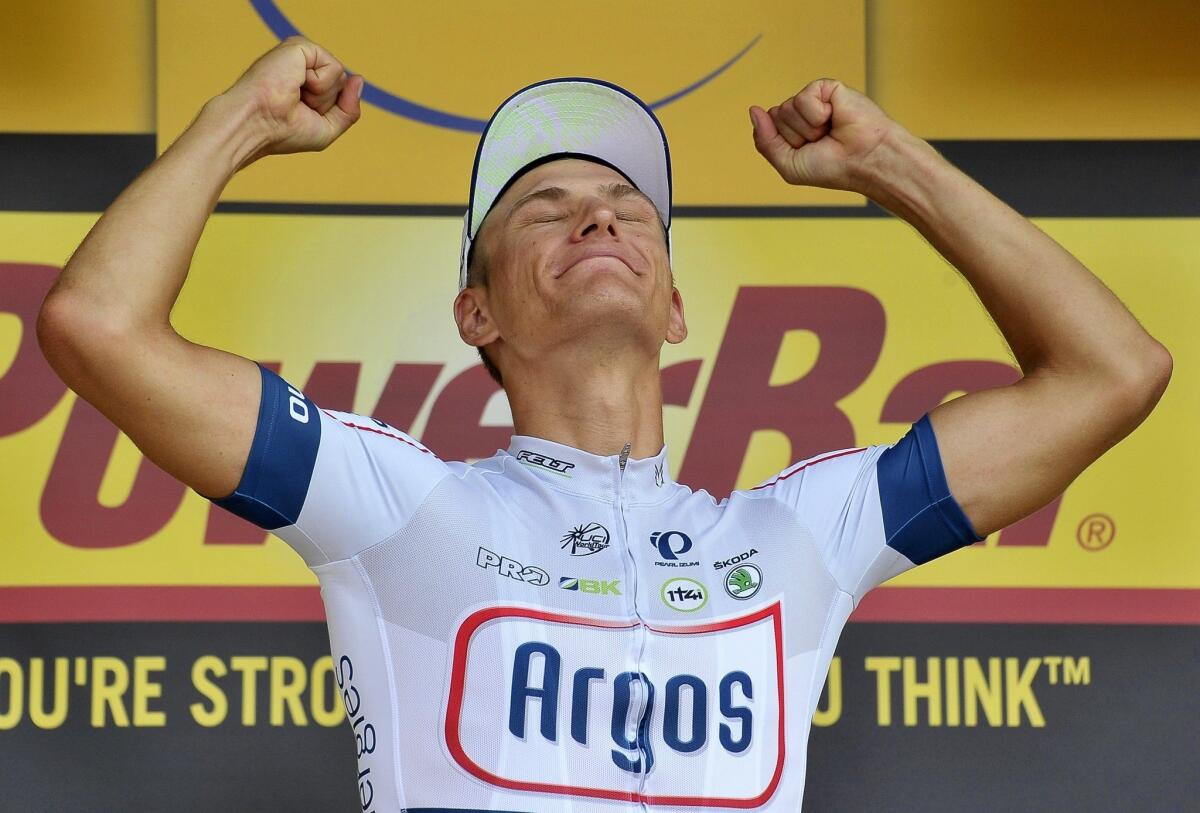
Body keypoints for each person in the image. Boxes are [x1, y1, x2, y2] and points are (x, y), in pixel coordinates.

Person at [37, 35, 1171, 812]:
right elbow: (99, 327)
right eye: (545, 206)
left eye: (631, 208)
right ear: (475, 312)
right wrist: (238, 119)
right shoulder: (398, 507)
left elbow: (1114, 372)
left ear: (674, 308)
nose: (599, 216)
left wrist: (891, 166)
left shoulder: (799, 537)